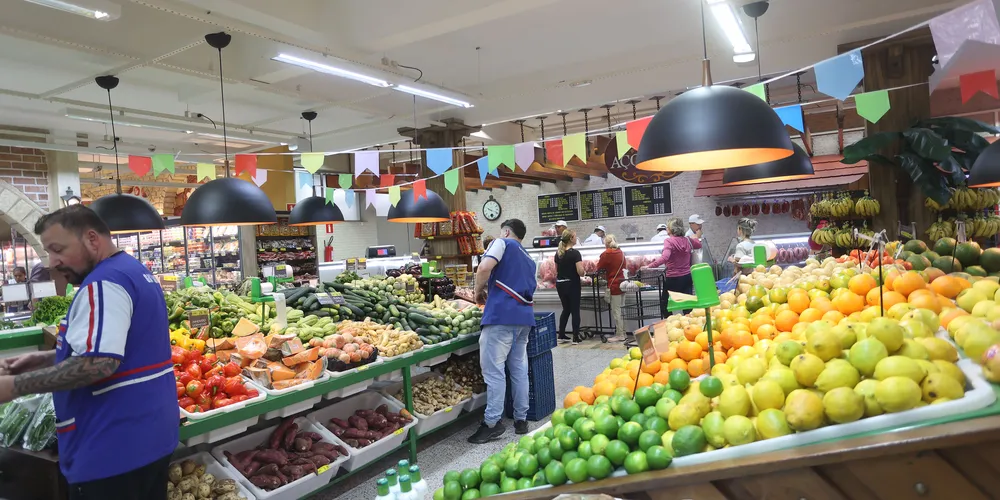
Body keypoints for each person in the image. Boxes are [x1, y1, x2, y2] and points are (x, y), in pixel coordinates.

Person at [0, 205, 177, 499]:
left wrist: (15, 387)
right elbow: (117, 348)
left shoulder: (103, 284)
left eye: (58, 249)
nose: (53, 262)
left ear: (92, 239)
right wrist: (44, 358)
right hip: (149, 438)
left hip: (112, 449)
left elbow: (99, 363)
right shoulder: (133, 272)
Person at [470, 219, 537, 443]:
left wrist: (477, 292)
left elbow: (484, 267)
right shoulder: (529, 259)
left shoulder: (502, 243)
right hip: (524, 319)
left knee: (494, 371)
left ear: (506, 231)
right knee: (518, 368)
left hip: (501, 317)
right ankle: (521, 420)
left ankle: (491, 423)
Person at [644, 218, 702, 316]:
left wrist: (649, 266)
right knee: (688, 305)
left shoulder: (669, 241)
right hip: (687, 277)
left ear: (672, 229)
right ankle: (689, 326)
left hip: (673, 278)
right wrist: (696, 237)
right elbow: (699, 245)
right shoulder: (688, 240)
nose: (666, 228)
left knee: (666, 305)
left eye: (668, 226)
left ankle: (670, 324)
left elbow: (665, 257)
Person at [554, 230, 584, 345]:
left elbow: (556, 271)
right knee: (575, 310)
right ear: (571, 238)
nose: (576, 238)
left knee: (566, 309)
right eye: (575, 236)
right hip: (572, 284)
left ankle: (561, 335)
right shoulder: (575, 253)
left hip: (560, 284)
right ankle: (575, 337)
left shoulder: (558, 253)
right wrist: (584, 272)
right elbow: (580, 272)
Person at [595, 234, 627, 342]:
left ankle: (620, 335)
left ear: (606, 244)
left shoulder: (606, 254)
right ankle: (624, 332)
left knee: (616, 311)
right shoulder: (621, 252)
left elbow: (598, 268)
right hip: (623, 284)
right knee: (622, 310)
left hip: (613, 285)